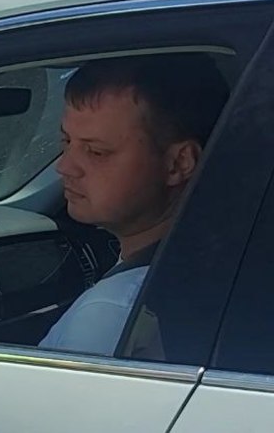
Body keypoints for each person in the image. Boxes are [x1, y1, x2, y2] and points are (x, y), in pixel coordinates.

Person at [38, 53, 229, 357]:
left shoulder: (113, 312)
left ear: (178, 163)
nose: (65, 167)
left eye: (97, 152)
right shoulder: (227, 258)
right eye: (66, 142)